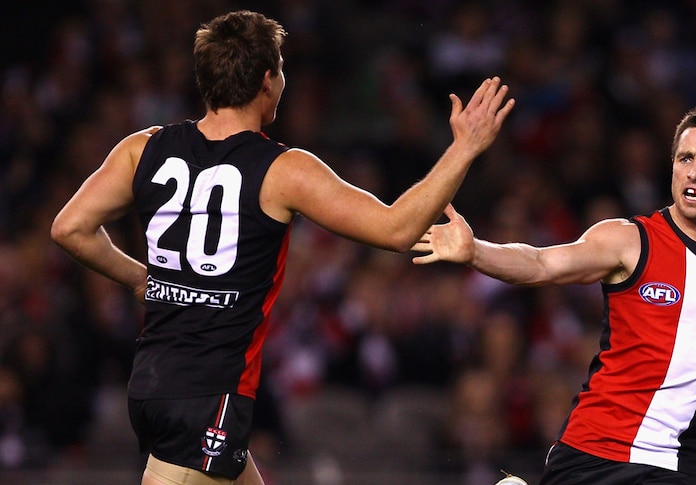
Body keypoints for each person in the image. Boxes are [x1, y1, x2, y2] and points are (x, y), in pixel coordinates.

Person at [50, 10, 514, 485]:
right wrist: (464, 148)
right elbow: (397, 229)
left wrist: (139, 277)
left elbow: (70, 228)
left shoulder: (142, 148)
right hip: (209, 398)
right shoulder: (283, 170)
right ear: (268, 81)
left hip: (151, 386)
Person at [412, 104, 696, 485]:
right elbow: (542, 264)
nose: (694, 173)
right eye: (685, 159)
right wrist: (475, 251)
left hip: (678, 465)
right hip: (592, 451)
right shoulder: (628, 240)